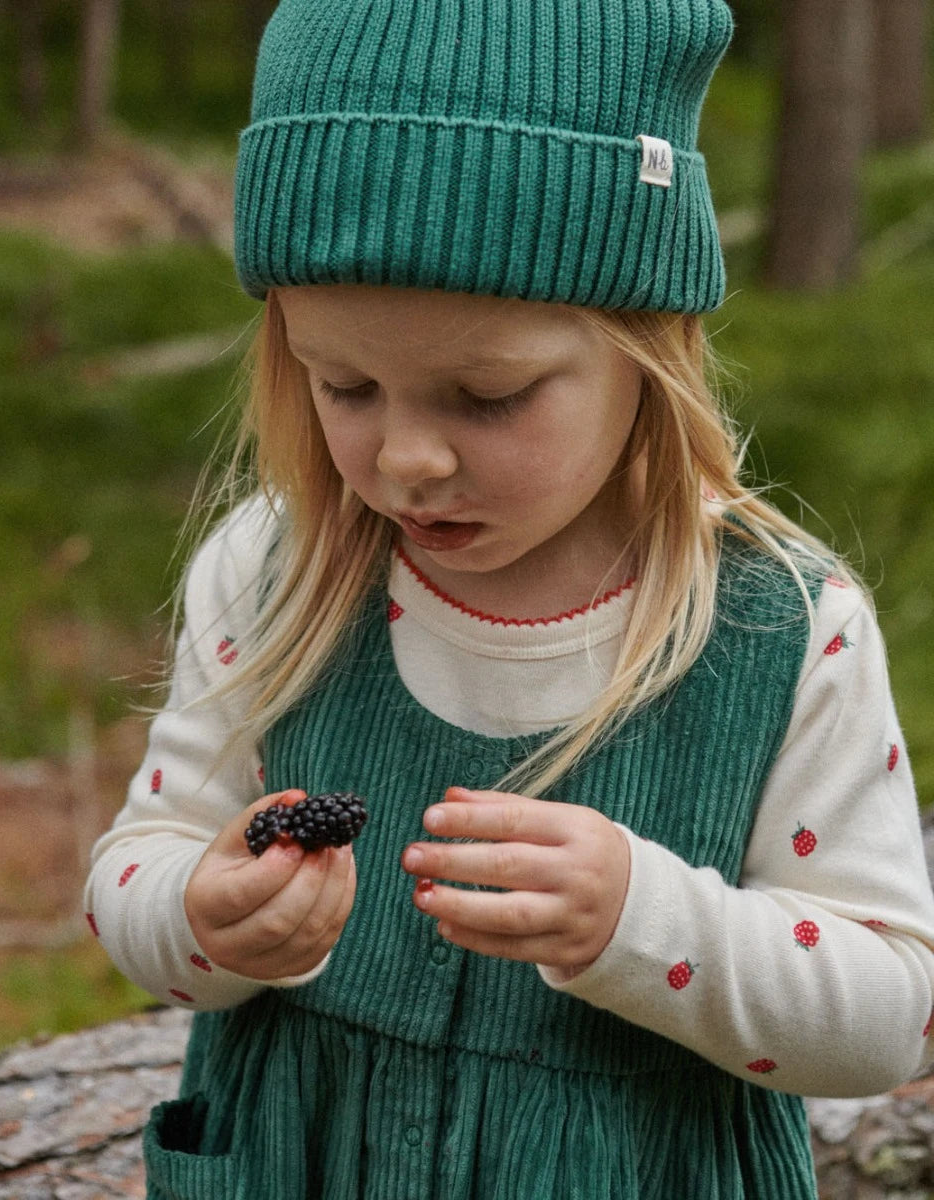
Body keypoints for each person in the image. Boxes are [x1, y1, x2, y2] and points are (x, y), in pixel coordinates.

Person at [85, 1, 934, 1195]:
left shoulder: (781, 632)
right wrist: (203, 915)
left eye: (486, 397)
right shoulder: (272, 574)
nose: (409, 458)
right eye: (346, 386)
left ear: (649, 349)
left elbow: (891, 1011)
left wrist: (647, 923)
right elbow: (139, 866)